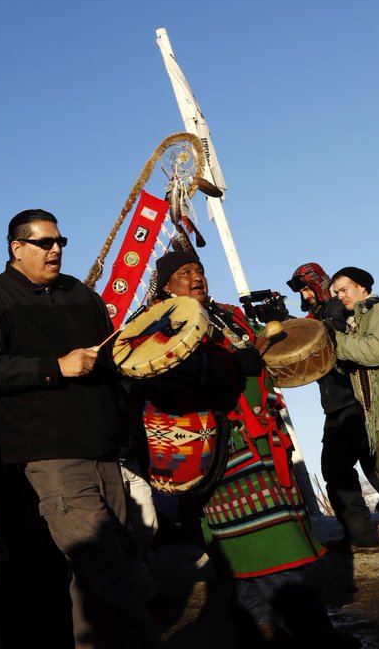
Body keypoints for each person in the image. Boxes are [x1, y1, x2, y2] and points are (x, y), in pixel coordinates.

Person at [0, 208, 159, 648]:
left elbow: (114, 360)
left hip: (105, 452)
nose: (56, 249)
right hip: (51, 457)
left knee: (102, 573)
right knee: (105, 566)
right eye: (45, 242)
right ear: (17, 248)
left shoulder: (81, 293)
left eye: (60, 242)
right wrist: (55, 367)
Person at [153, 251, 354, 646]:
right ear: (166, 287)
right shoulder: (161, 327)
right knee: (268, 550)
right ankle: (318, 635)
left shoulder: (226, 314)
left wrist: (280, 327)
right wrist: (230, 366)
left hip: (264, 442)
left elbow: (268, 346)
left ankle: (258, 630)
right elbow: (171, 383)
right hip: (222, 450)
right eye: (184, 273)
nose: (196, 277)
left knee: (249, 556)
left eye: (199, 270)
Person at [287, 263, 379, 552]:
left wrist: (316, 330)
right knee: (351, 468)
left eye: (307, 289)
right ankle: (361, 536)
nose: (305, 296)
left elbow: (352, 342)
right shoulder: (325, 313)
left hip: (355, 402)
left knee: (368, 470)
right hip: (339, 403)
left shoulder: (342, 308)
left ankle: (362, 536)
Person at [331, 267, 379, 481]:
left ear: (362, 287)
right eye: (337, 292)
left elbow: (378, 351)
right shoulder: (352, 322)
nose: (340, 296)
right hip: (375, 418)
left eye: (344, 290)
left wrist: (336, 341)